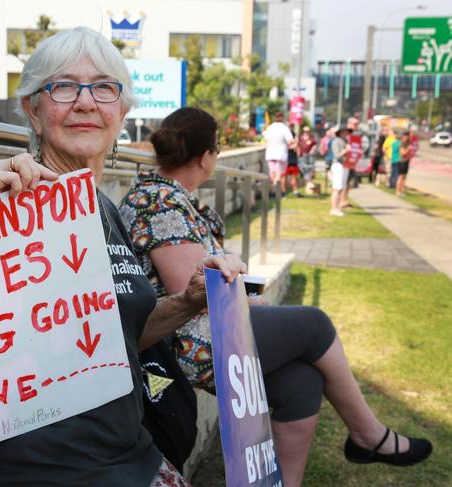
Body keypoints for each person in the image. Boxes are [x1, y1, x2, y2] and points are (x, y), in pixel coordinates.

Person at [0, 27, 243, 487]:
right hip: (37, 474)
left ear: (122, 112)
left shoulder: (103, 208)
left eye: (104, 88)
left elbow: (122, 336)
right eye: (63, 86)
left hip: (126, 455)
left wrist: (188, 301)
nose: (86, 102)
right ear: (33, 110)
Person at [119, 107, 432, 486]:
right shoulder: (159, 201)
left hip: (199, 332)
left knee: (300, 380)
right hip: (184, 344)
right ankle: (369, 436)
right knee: (314, 325)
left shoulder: (163, 195)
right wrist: (246, 303)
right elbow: (191, 291)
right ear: (206, 156)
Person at [263, 112, 295, 193]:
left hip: (270, 153)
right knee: (278, 174)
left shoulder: (270, 127)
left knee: (272, 173)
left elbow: (265, 137)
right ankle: (276, 190)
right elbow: (290, 141)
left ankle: (273, 190)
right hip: (281, 154)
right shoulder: (284, 128)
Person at [330, 126, 350, 217]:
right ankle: (334, 208)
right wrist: (346, 150)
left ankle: (337, 207)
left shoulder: (346, 142)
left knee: (341, 188)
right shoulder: (336, 141)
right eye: (344, 131)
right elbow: (337, 155)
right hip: (338, 165)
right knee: (337, 188)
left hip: (345, 165)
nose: (346, 133)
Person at [284, 129, 304, 197]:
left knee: (294, 178)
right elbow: (293, 147)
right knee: (285, 178)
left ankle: (295, 191)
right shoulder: (286, 144)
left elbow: (298, 151)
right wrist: (297, 139)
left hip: (293, 163)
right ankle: (283, 191)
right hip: (288, 163)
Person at [397, 132, 412, 197]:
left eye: (408, 136)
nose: (407, 138)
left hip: (406, 161)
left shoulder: (407, 143)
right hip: (402, 162)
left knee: (404, 177)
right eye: (406, 136)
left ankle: (402, 191)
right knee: (401, 177)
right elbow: (402, 153)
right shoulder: (402, 144)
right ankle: (398, 191)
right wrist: (408, 149)